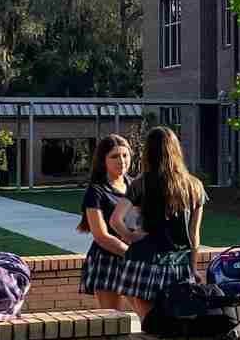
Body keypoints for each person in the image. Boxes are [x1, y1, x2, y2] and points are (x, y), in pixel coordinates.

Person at [110, 127, 206, 318]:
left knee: (148, 323)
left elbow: (115, 220)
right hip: (178, 264)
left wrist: (131, 236)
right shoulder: (195, 186)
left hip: (144, 261)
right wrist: (193, 268)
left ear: (148, 152)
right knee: (175, 321)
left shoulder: (141, 183)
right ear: (176, 150)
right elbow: (194, 235)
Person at [77, 135, 134, 312]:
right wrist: (132, 253)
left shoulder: (136, 185)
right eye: (114, 156)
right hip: (107, 260)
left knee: (149, 316)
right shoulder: (95, 191)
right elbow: (101, 236)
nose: (121, 161)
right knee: (112, 320)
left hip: (135, 259)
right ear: (103, 160)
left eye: (125, 155)